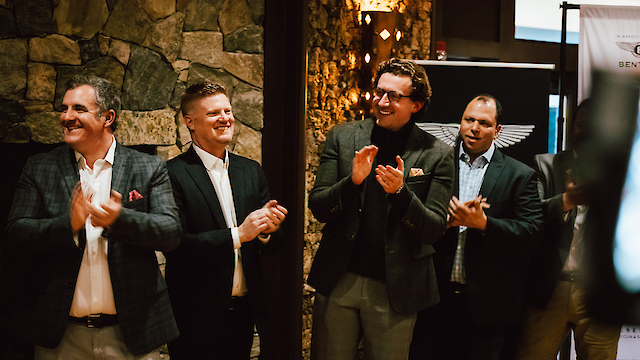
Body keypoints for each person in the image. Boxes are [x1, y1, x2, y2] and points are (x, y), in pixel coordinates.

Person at [4, 75, 181, 359]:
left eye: (78, 109)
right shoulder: (39, 167)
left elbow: (170, 232)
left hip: (133, 332)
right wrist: (69, 225)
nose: (66, 117)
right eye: (64, 108)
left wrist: (119, 220)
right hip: (60, 336)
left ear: (107, 117)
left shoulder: (149, 167)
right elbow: (16, 234)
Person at [308, 58, 455, 360]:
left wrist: (401, 194)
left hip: (396, 288)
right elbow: (319, 207)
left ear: (416, 105)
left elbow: (434, 229)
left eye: (394, 96)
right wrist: (353, 182)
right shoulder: (343, 136)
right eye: (379, 92)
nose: (382, 102)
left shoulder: (437, 154)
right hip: (340, 279)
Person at [409, 94, 544, 360]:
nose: (474, 128)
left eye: (483, 122)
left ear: (497, 130)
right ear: (459, 123)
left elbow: (532, 233)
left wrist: (484, 224)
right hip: (434, 300)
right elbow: (414, 218)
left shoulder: (520, 174)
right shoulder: (435, 163)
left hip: (488, 307)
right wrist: (443, 223)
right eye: (469, 120)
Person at [164, 82, 287, 360]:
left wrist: (268, 230)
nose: (225, 118)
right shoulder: (172, 173)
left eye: (227, 110)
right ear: (190, 122)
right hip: (193, 315)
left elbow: (273, 245)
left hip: (243, 312)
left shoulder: (250, 170)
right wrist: (238, 235)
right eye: (213, 113)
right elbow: (176, 244)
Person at [515, 99, 622, 359]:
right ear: (571, 128)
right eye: (580, 125)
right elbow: (531, 216)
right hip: (549, 288)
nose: (586, 133)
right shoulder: (545, 165)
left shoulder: (622, 173)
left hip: (599, 292)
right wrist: (567, 200)